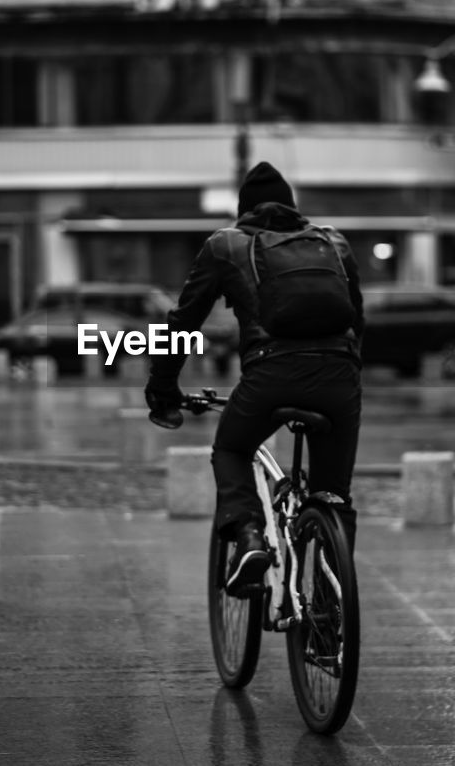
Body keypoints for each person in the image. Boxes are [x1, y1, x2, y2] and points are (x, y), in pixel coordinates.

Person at [144, 161, 366, 595]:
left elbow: (182, 324)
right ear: (292, 207)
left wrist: (163, 389)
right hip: (339, 377)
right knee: (333, 496)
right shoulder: (333, 242)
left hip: (271, 374)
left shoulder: (225, 245)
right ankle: (328, 616)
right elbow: (358, 320)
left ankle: (248, 536)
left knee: (231, 447)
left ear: (244, 211)